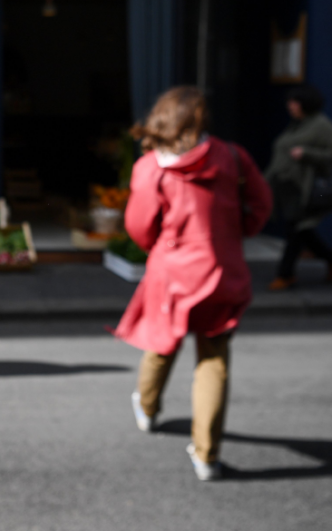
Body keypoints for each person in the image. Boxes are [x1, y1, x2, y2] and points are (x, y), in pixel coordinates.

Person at [113, 87, 272, 481]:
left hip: (172, 273)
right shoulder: (232, 156)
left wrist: (160, 246)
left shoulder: (152, 167)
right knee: (214, 358)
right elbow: (262, 203)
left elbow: (138, 225)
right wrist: (236, 234)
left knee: (161, 344)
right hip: (221, 269)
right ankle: (207, 455)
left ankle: (148, 409)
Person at [264, 85, 332, 290]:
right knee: (302, 231)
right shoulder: (296, 125)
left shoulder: (321, 126)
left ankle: (285, 274)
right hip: (288, 186)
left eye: (294, 102)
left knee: (297, 230)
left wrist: (306, 153)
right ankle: (328, 259)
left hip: (307, 188)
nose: (290, 106)